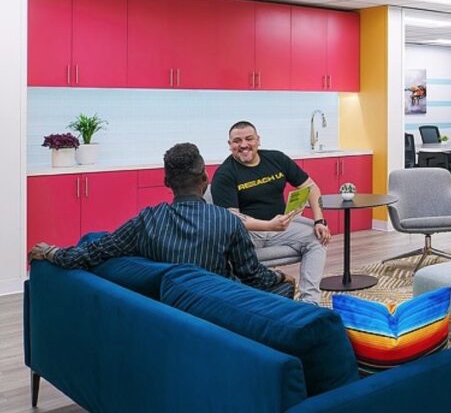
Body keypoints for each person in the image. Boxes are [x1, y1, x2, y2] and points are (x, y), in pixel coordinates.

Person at [28, 143, 288, 293]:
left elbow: (92, 252)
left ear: (166, 182)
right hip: (219, 309)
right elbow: (253, 277)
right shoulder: (227, 221)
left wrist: (51, 252)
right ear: (205, 180)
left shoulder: (147, 221)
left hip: (167, 307)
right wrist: (280, 277)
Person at [211, 121, 330, 304]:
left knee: (317, 237)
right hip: (248, 234)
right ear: (230, 145)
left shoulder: (276, 159)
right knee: (230, 249)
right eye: (237, 141)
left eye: (249, 139)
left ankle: (310, 303)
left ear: (258, 140)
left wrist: (319, 221)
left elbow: (311, 187)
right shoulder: (224, 174)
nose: (243, 145)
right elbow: (232, 218)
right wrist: (268, 225)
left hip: (280, 227)